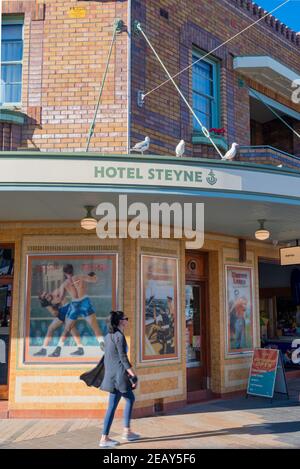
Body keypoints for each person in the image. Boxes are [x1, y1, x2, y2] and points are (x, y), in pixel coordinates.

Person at [99, 310, 139, 448]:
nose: (127, 320)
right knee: (118, 404)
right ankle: (107, 437)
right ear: (121, 321)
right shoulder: (119, 337)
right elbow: (123, 358)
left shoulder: (107, 336)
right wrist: (133, 375)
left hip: (113, 376)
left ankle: (124, 432)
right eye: (126, 318)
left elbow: (110, 357)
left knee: (126, 400)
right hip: (119, 377)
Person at [49, 264, 105, 357]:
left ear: (64, 273)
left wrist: (53, 303)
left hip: (75, 305)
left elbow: (60, 299)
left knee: (67, 328)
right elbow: (95, 280)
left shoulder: (64, 284)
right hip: (85, 303)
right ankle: (102, 344)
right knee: (95, 326)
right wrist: (94, 275)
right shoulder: (81, 277)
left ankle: (57, 350)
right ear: (72, 270)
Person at [34, 291, 84, 357]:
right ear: (44, 299)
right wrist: (50, 307)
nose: (47, 295)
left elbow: (60, 300)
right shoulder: (47, 302)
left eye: (46, 293)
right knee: (51, 328)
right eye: (45, 296)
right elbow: (55, 314)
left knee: (69, 328)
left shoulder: (55, 293)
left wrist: (53, 305)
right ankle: (44, 349)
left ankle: (60, 350)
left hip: (69, 309)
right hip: (62, 312)